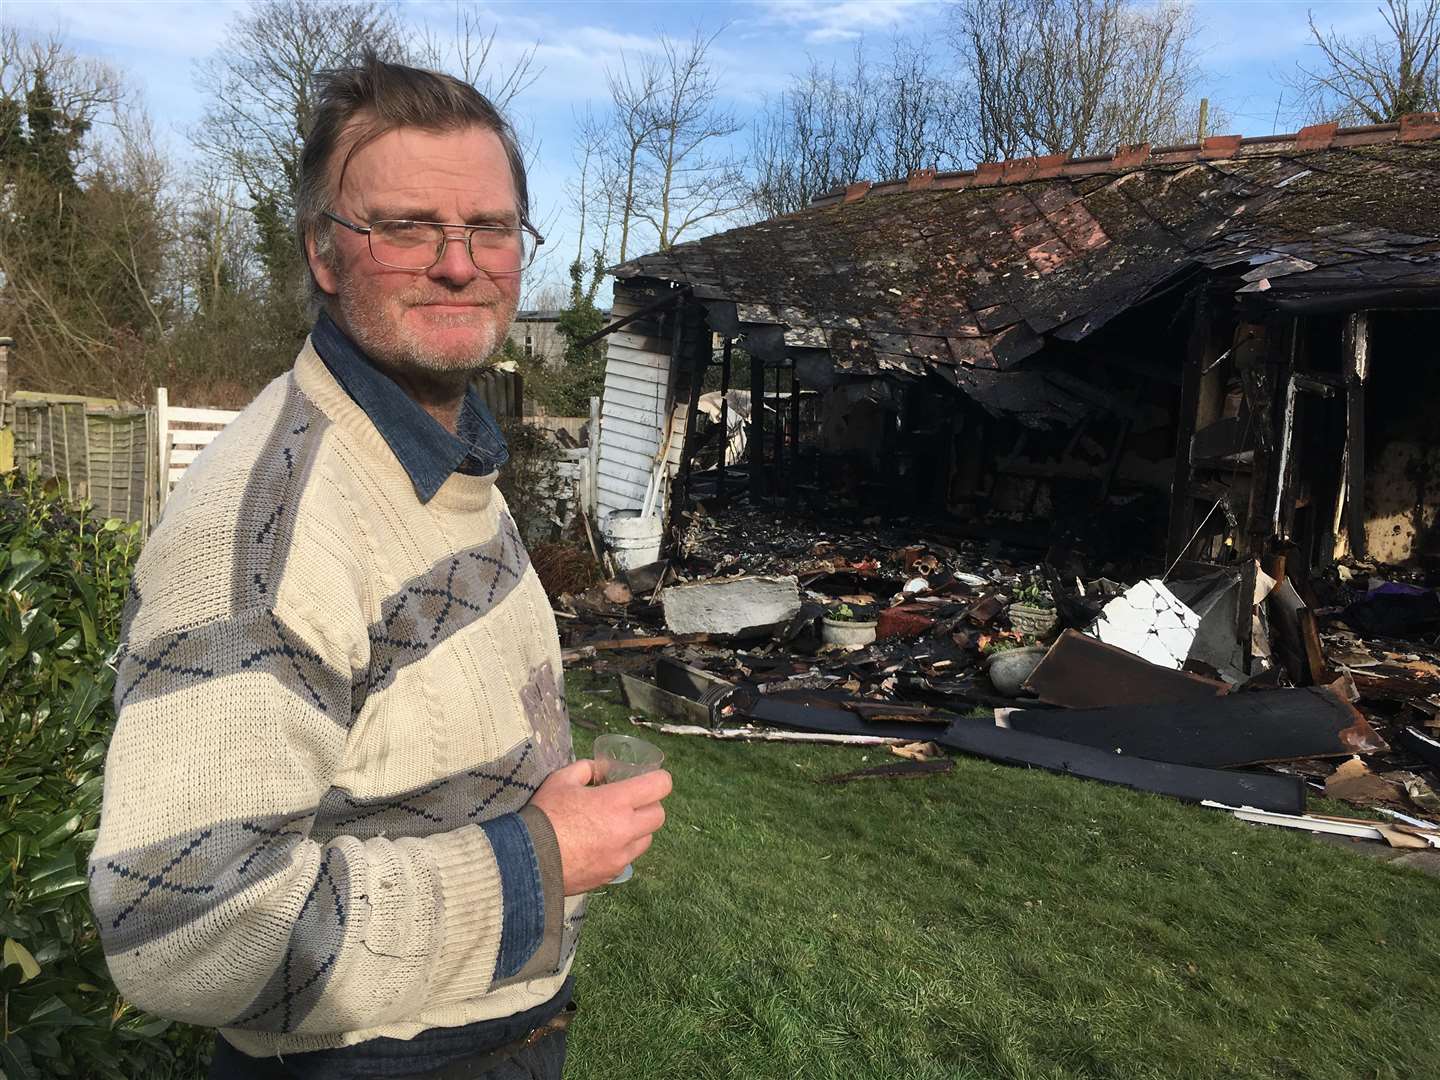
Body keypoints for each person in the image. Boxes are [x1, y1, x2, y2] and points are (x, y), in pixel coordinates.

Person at [88, 53, 671, 1080]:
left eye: (490, 228)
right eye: (407, 226)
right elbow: (186, 928)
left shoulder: (431, 451)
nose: (460, 263)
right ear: (324, 252)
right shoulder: (270, 529)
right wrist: (535, 866)